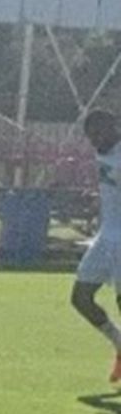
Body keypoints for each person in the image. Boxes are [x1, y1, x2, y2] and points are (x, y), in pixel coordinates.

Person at [69, 108, 121, 383]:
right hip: (105, 237)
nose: (95, 140)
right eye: (91, 136)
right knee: (80, 298)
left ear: (114, 127)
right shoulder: (102, 153)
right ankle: (119, 343)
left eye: (99, 133)